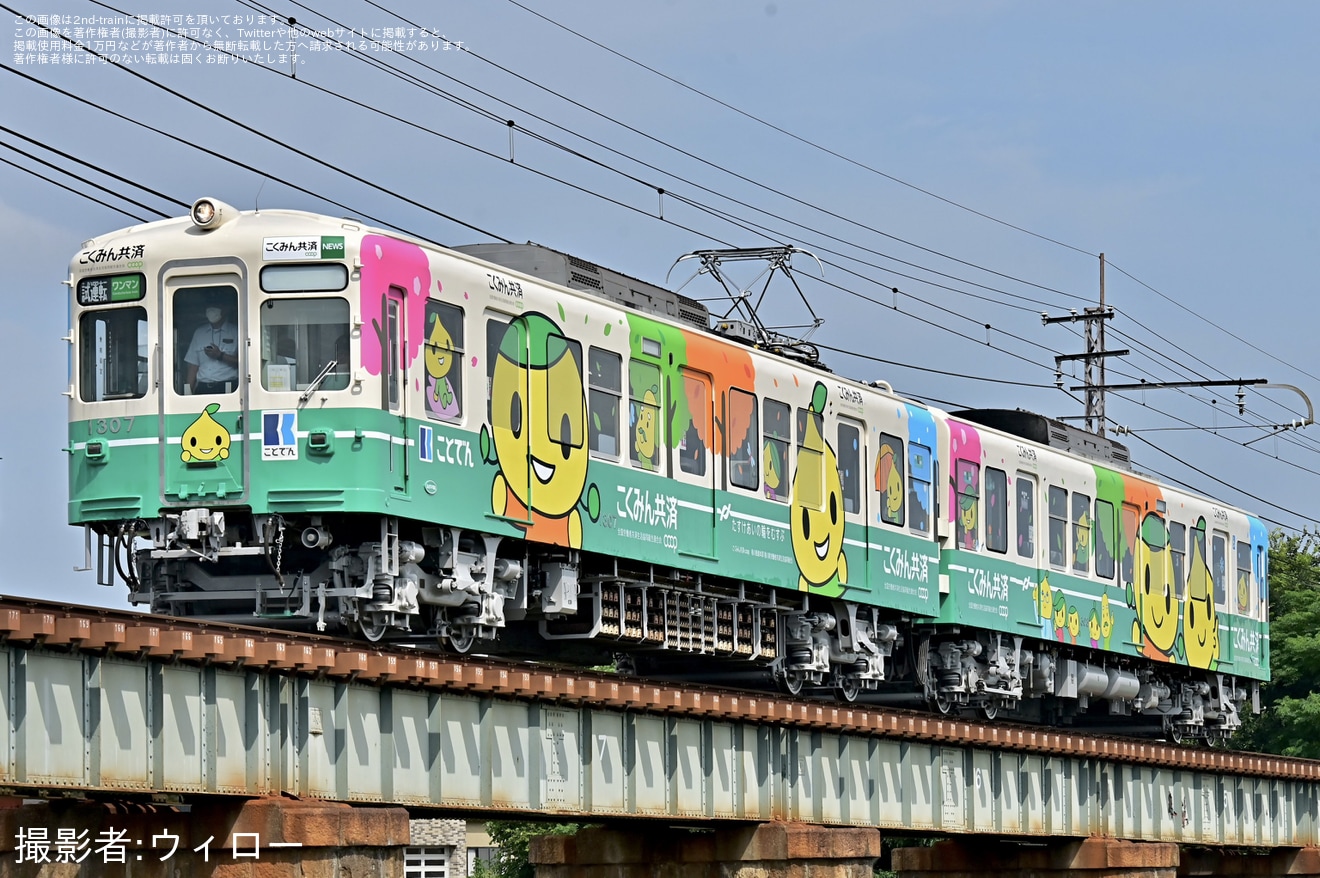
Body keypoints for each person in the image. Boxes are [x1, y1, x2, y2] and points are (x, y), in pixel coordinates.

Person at [184, 305, 240, 394]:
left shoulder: (237, 332)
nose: (211, 310)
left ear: (226, 310)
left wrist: (220, 356)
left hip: (228, 388)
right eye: (209, 306)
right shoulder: (199, 333)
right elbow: (193, 366)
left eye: (216, 305)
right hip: (202, 388)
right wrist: (188, 394)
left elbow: (243, 364)